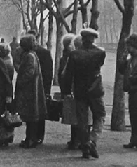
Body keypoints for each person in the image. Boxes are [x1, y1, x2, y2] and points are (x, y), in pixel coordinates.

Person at [61, 29, 106, 159]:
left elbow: (68, 75)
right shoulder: (100, 53)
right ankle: (93, 139)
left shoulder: (74, 55)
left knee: (82, 119)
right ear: (93, 39)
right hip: (95, 90)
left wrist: (66, 91)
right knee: (100, 115)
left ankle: (85, 145)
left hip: (80, 91)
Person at [16, 34, 48, 148]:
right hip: (32, 90)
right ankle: (30, 138)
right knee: (31, 117)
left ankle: (30, 139)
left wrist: (20, 82)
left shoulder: (29, 56)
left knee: (31, 117)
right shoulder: (32, 55)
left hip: (30, 91)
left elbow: (29, 72)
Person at [28, 29, 54, 145]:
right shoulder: (26, 52)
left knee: (40, 112)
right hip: (30, 87)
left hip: (41, 87)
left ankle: (39, 136)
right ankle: (31, 135)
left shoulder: (44, 53)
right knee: (30, 112)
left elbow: (48, 73)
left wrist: (47, 90)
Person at [57, 33, 82, 151]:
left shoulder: (66, 56)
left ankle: (75, 140)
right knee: (78, 115)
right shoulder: (71, 56)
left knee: (74, 116)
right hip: (75, 89)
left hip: (71, 89)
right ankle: (78, 140)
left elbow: (63, 74)